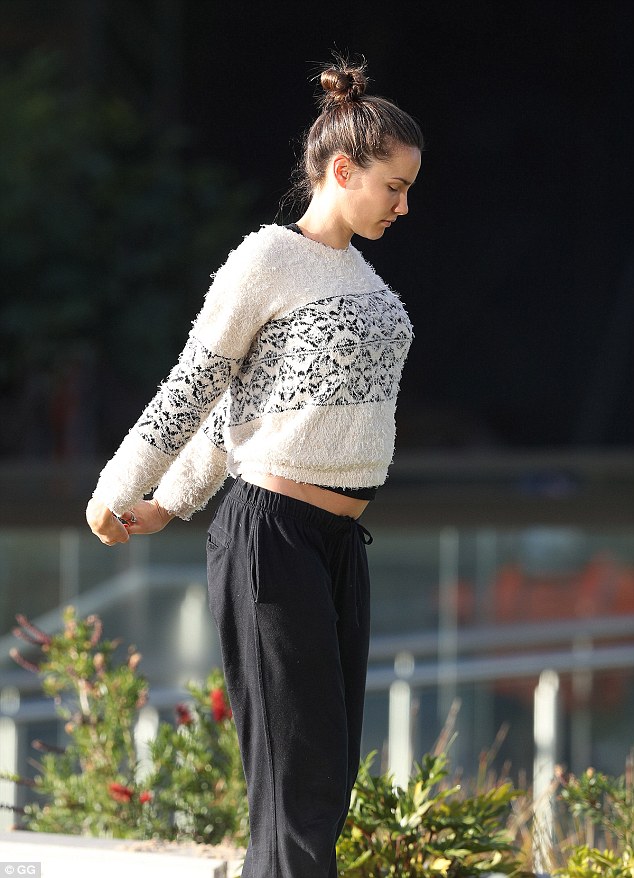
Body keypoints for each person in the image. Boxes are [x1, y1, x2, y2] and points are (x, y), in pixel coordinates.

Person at [86, 56, 423, 878]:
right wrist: (123, 489)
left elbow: (251, 406)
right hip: (272, 537)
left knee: (326, 778)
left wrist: (173, 502)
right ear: (341, 171)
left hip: (337, 545)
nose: (404, 206)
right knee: (297, 782)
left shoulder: (362, 276)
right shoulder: (268, 258)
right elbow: (197, 385)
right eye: (394, 186)